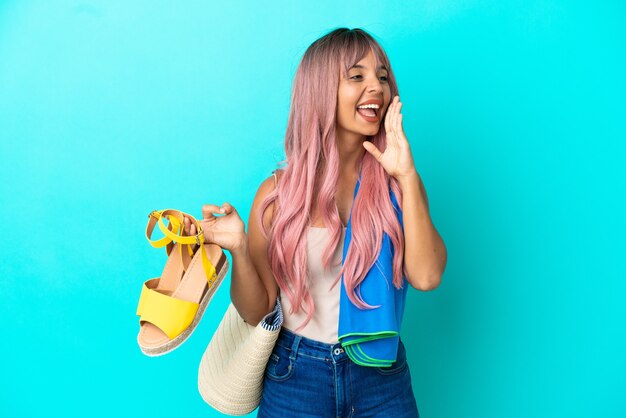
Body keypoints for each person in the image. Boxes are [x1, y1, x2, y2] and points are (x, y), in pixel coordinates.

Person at [184, 27, 446, 418]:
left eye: (382, 76)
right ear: (321, 92)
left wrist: (407, 178)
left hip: (381, 375)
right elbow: (257, 312)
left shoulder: (400, 182)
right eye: (356, 76)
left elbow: (426, 277)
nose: (376, 86)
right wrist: (239, 249)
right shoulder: (277, 196)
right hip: (295, 373)